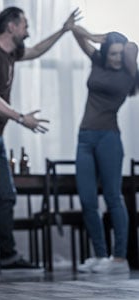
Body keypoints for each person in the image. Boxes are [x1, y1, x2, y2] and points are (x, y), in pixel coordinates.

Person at [0, 6, 80, 275]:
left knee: (6, 194)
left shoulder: (9, 55)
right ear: (11, 26)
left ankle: (8, 255)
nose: (28, 29)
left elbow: (36, 51)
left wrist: (64, 30)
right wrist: (22, 117)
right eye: (24, 24)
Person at [71, 25, 139, 274]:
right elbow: (77, 36)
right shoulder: (97, 63)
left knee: (113, 197)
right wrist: (82, 32)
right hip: (85, 138)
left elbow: (133, 47)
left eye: (120, 54)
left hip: (108, 138)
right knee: (88, 199)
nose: (117, 58)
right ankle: (101, 255)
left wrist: (110, 38)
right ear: (105, 52)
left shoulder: (128, 74)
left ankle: (119, 259)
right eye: (113, 53)